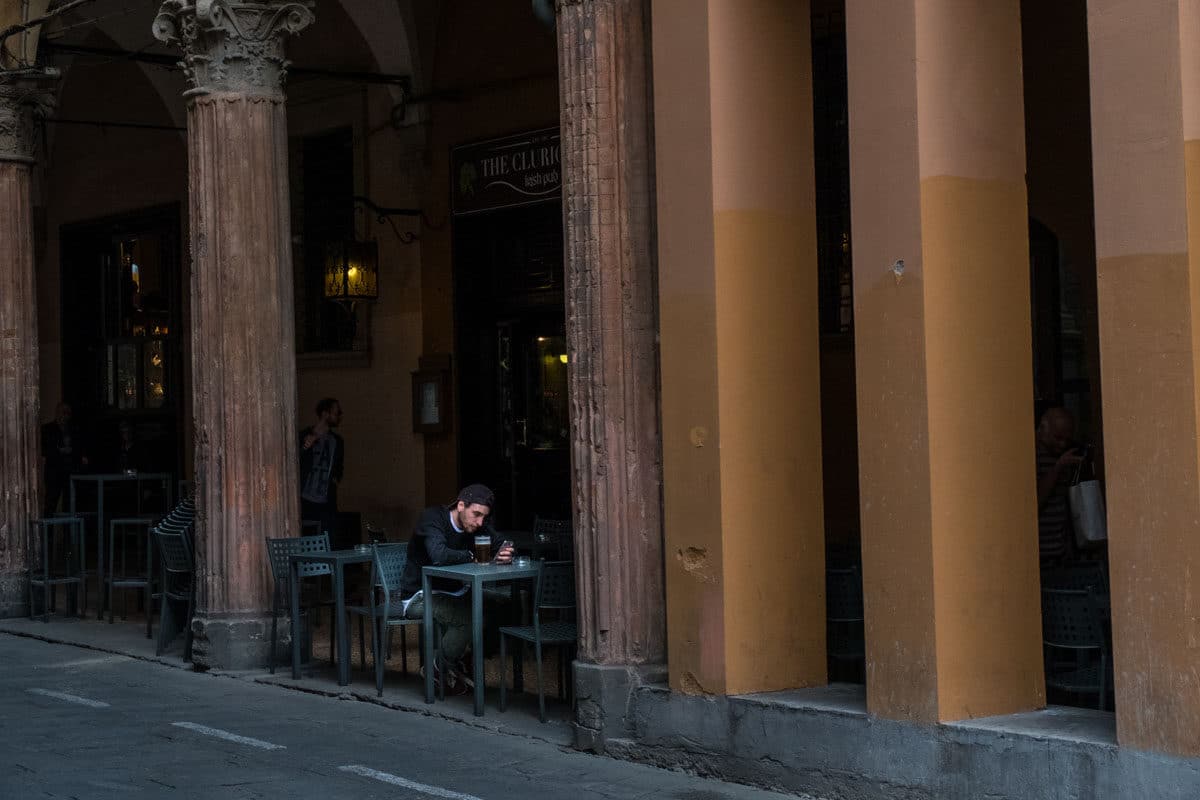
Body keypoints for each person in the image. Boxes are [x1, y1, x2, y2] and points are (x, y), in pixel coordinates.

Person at [398, 484, 514, 694]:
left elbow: (500, 542)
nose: (479, 522)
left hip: (457, 593)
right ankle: (437, 667)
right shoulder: (433, 518)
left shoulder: (476, 525)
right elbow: (439, 555)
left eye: (483, 517)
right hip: (420, 595)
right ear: (461, 505)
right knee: (469, 619)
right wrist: (473, 556)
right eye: (476, 514)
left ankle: (461, 660)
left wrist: (506, 552)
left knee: (503, 605)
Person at [1035, 407, 1083, 565]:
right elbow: (1035, 502)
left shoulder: (1064, 456)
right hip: (1039, 555)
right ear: (1042, 429)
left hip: (1060, 554)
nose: (1062, 444)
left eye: (1067, 440)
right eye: (1057, 438)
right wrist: (1058, 468)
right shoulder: (1031, 454)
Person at [298, 398, 344, 537]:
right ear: (325, 414)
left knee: (328, 540)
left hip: (326, 502)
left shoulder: (337, 441)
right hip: (305, 499)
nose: (339, 415)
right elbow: (294, 461)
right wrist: (306, 446)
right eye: (336, 412)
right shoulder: (304, 435)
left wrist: (335, 479)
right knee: (306, 540)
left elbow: (339, 467)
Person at [40, 402, 87, 518]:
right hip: (54, 473)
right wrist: (59, 451)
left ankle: (69, 535)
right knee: (50, 505)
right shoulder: (47, 429)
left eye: (68, 413)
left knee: (71, 506)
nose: (65, 416)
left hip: (70, 473)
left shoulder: (75, 430)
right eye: (63, 412)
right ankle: (48, 535)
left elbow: (80, 450)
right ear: (57, 413)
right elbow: (43, 450)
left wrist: (72, 452)